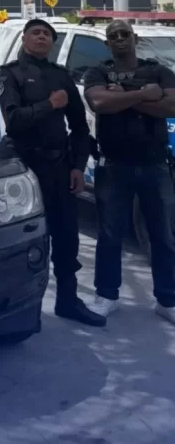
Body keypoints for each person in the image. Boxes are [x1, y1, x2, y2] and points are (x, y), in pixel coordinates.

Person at [0, 18, 105, 327]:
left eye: (47, 34)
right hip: (24, 172)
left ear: (52, 42)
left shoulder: (61, 77)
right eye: (36, 33)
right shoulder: (11, 73)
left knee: (67, 238)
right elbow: (14, 121)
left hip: (59, 168)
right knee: (25, 240)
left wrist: (77, 165)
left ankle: (68, 302)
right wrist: (49, 104)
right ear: (25, 38)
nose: (42, 37)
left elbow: (81, 127)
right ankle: (19, 308)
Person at [83, 19, 175, 323]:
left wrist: (121, 96)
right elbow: (98, 101)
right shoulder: (98, 71)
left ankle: (167, 300)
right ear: (107, 43)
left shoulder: (158, 70)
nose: (120, 39)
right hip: (114, 165)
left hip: (155, 164)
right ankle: (106, 295)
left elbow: (171, 107)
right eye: (113, 36)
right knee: (110, 235)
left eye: (124, 34)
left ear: (134, 38)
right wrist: (144, 95)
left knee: (162, 235)